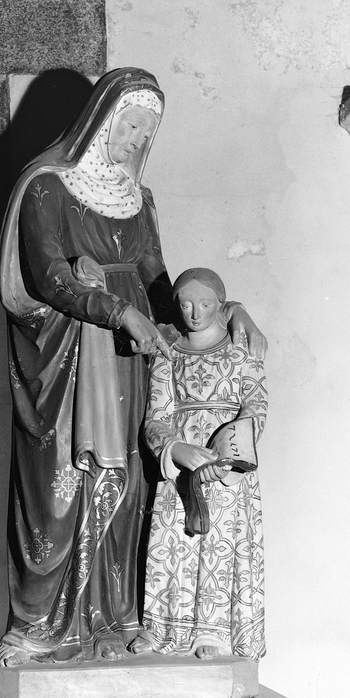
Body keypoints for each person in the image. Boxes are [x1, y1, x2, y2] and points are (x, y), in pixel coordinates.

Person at [0, 68, 266, 666]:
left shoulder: (139, 201)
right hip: (71, 357)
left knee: (132, 483)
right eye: (132, 122)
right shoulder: (47, 186)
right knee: (65, 483)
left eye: (150, 129)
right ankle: (41, 624)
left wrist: (234, 309)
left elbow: (164, 293)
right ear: (101, 117)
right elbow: (48, 277)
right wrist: (116, 311)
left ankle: (116, 615)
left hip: (133, 361)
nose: (139, 138)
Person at [132, 268, 267, 661]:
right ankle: (161, 627)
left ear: (221, 306)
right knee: (173, 542)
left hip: (228, 470)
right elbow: (156, 418)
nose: (195, 312)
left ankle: (214, 633)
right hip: (181, 466)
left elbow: (255, 409)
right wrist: (178, 450)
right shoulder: (168, 355)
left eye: (206, 303)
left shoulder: (243, 352)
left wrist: (226, 456)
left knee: (218, 544)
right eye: (187, 303)